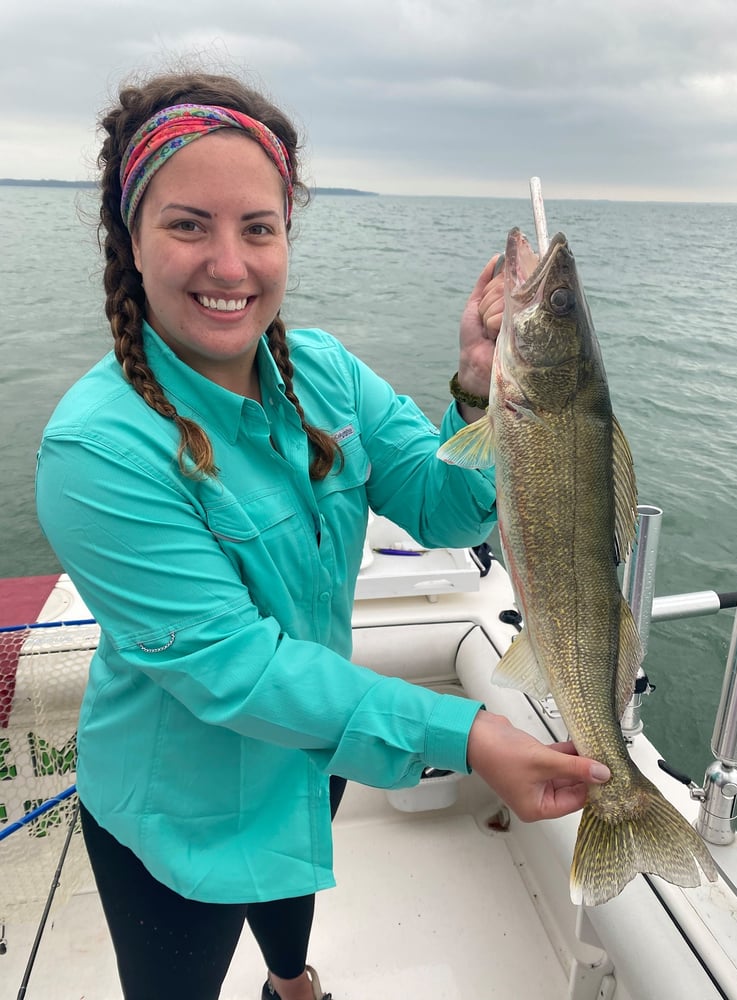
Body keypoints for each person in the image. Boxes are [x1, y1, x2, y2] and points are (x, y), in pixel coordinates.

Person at [35, 70, 611, 1000]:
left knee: (291, 901)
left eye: (259, 228)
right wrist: (467, 736)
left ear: (287, 238)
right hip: (179, 813)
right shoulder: (95, 450)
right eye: (189, 224)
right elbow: (240, 671)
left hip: (315, 755)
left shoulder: (327, 373)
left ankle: (291, 979)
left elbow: (443, 508)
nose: (231, 264)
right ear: (130, 239)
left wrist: (477, 386)